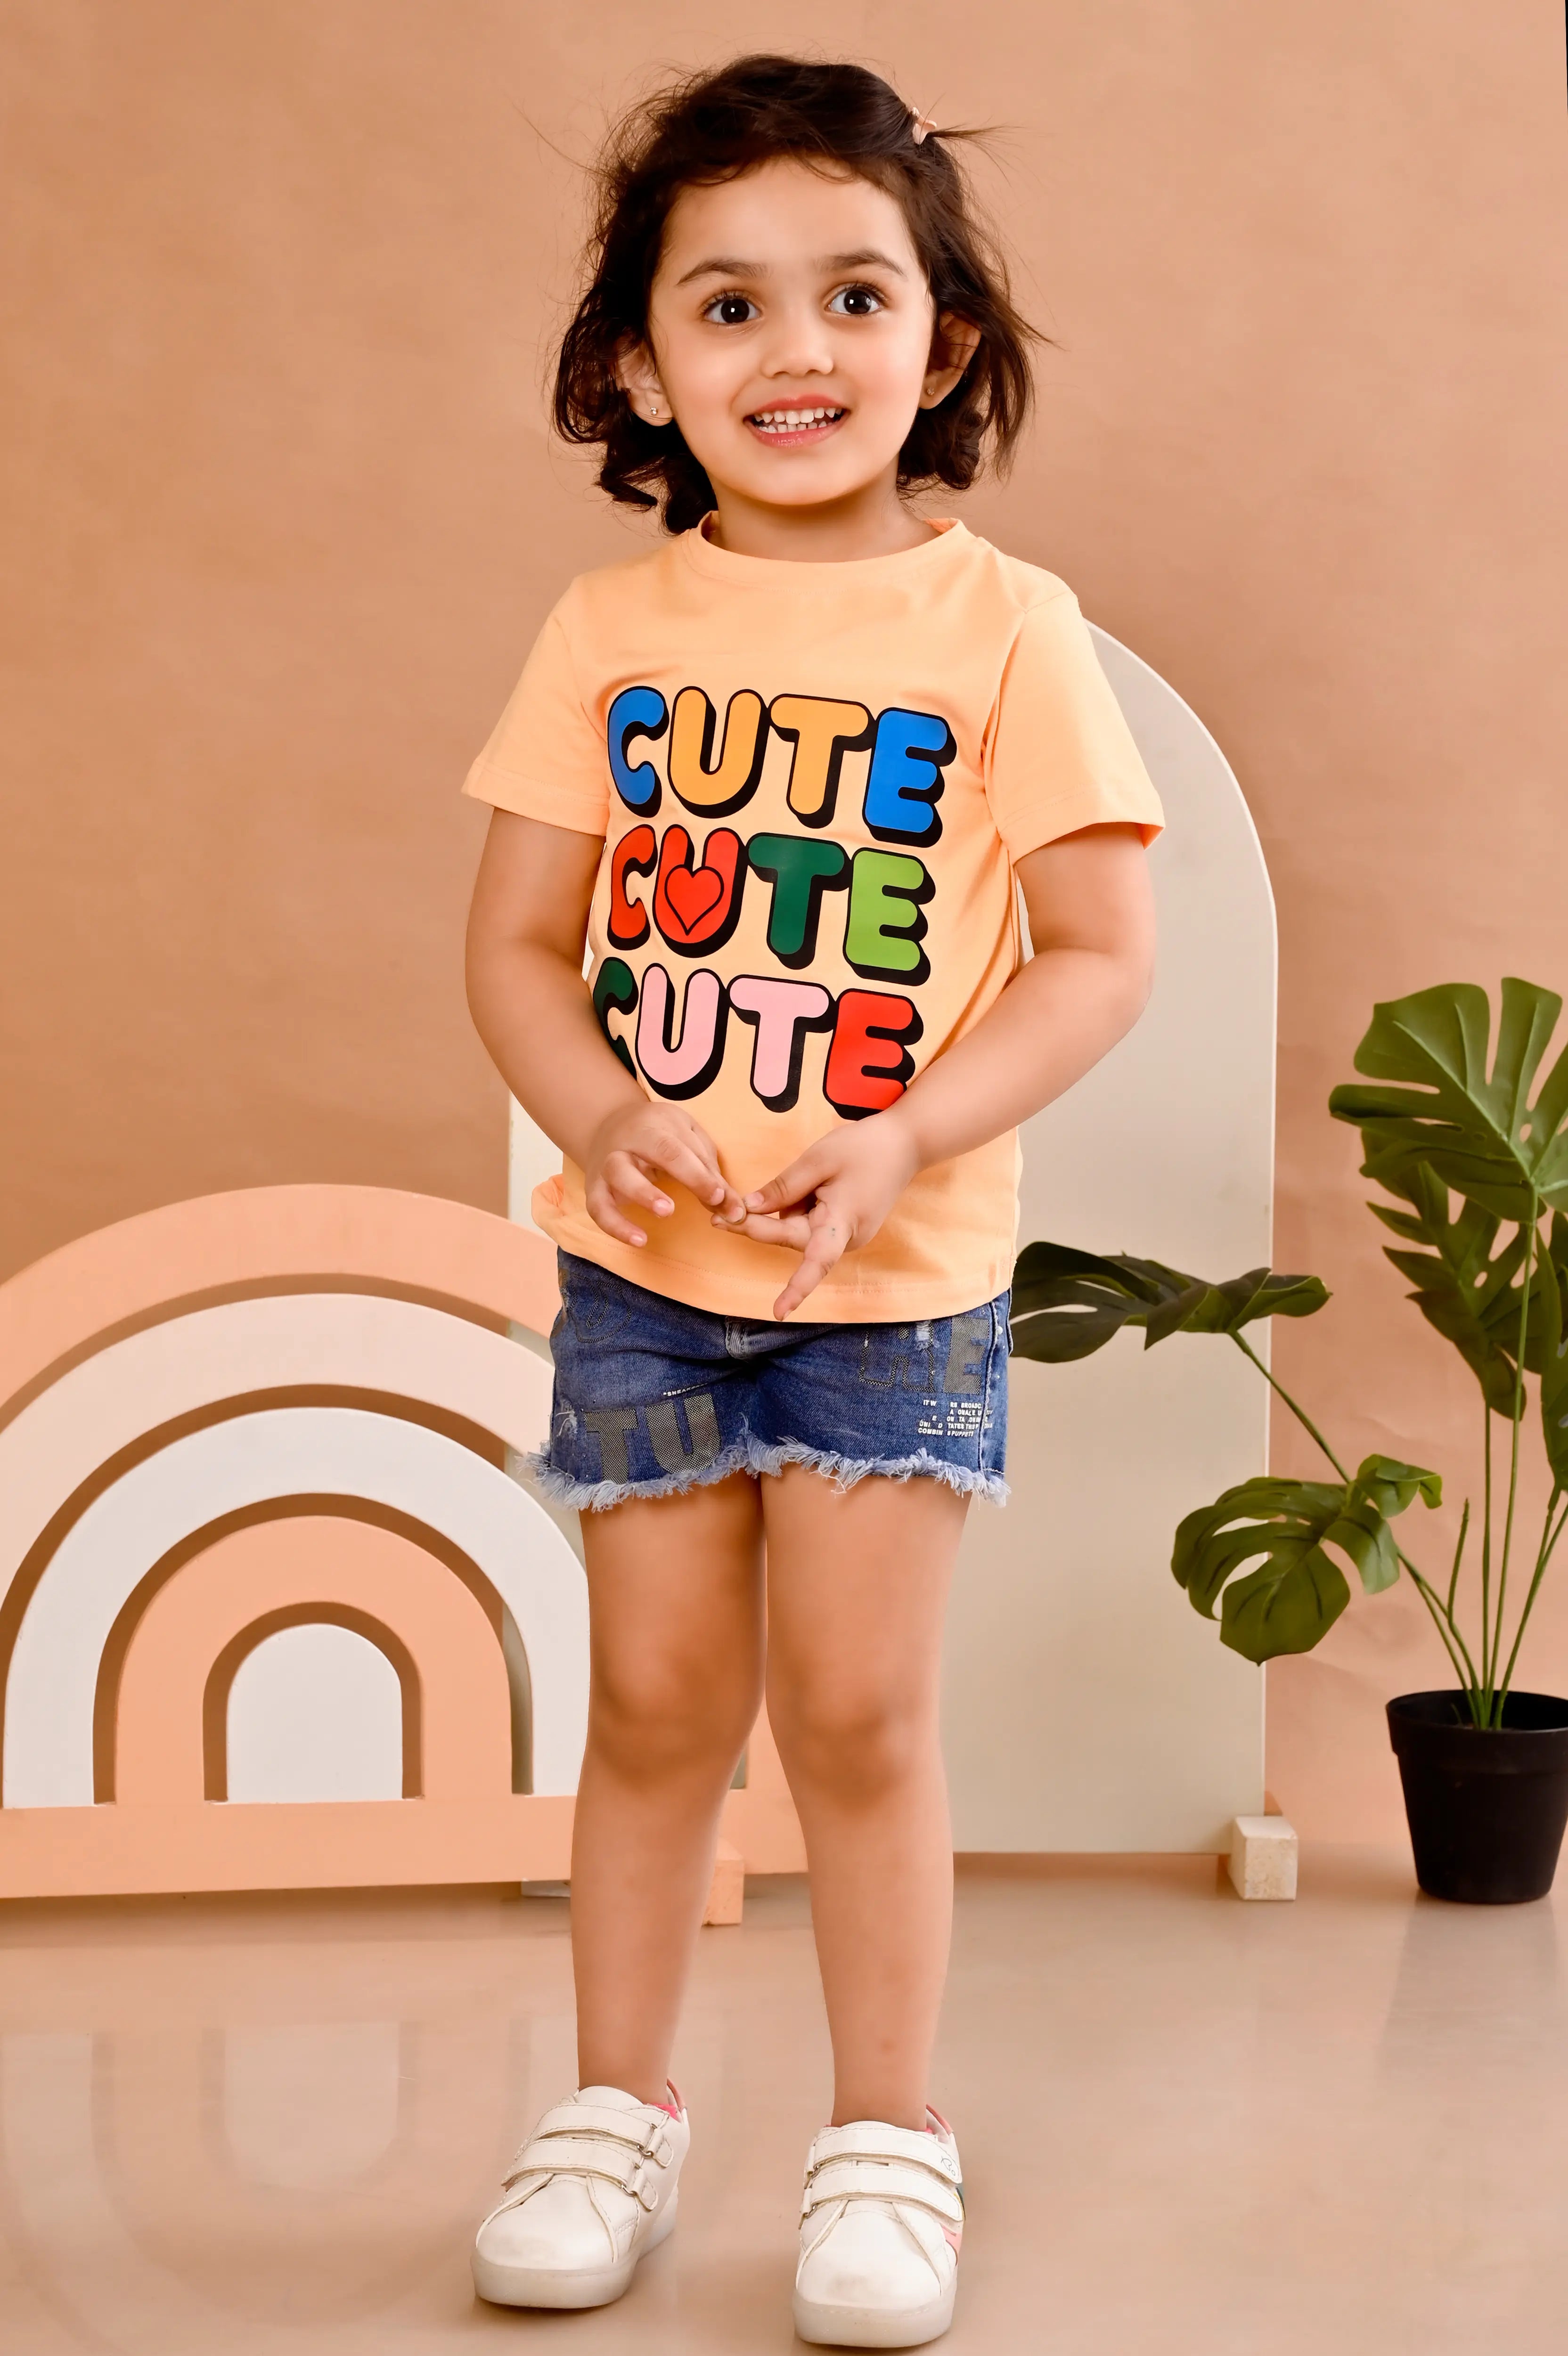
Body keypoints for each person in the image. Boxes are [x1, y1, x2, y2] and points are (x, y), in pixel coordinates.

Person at [462, 54, 1161, 2349]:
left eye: (854, 295)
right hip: (647, 1280)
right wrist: (592, 1109)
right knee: (658, 1710)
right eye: (729, 307)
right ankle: (614, 2112)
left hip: (895, 1284)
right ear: (643, 366)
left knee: (857, 1720)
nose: (796, 352)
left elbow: (1093, 957)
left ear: (940, 344)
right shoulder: (607, 630)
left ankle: (884, 2142)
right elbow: (514, 950)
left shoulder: (1004, 632)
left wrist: (914, 1132)